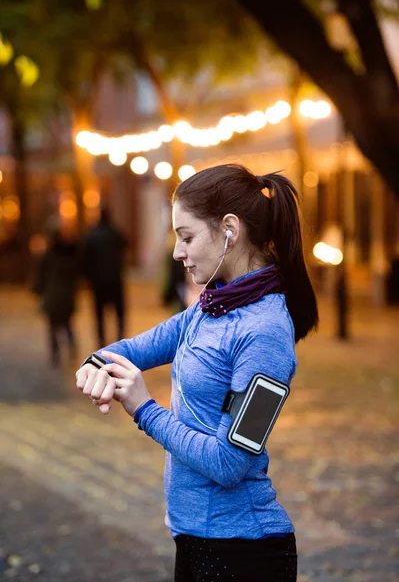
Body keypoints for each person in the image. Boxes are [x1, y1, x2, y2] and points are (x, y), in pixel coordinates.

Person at [76, 164, 319, 582]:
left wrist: (143, 408)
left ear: (229, 229)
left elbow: (230, 463)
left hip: (244, 554)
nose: (176, 252)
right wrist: (94, 366)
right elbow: (132, 348)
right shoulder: (208, 310)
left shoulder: (265, 333)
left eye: (186, 236)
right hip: (194, 539)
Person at [33, 225, 80, 366]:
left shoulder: (48, 255)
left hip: (53, 296)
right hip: (66, 296)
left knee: (53, 326)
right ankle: (71, 348)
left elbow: (40, 276)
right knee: (67, 324)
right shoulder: (70, 255)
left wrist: (38, 291)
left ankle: (56, 354)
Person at [82, 207, 128, 346]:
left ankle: (101, 342)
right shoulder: (114, 232)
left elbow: (85, 258)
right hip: (115, 279)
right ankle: (120, 339)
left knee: (99, 314)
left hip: (98, 281)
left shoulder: (92, 234)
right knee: (119, 313)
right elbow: (126, 244)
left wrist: (87, 278)